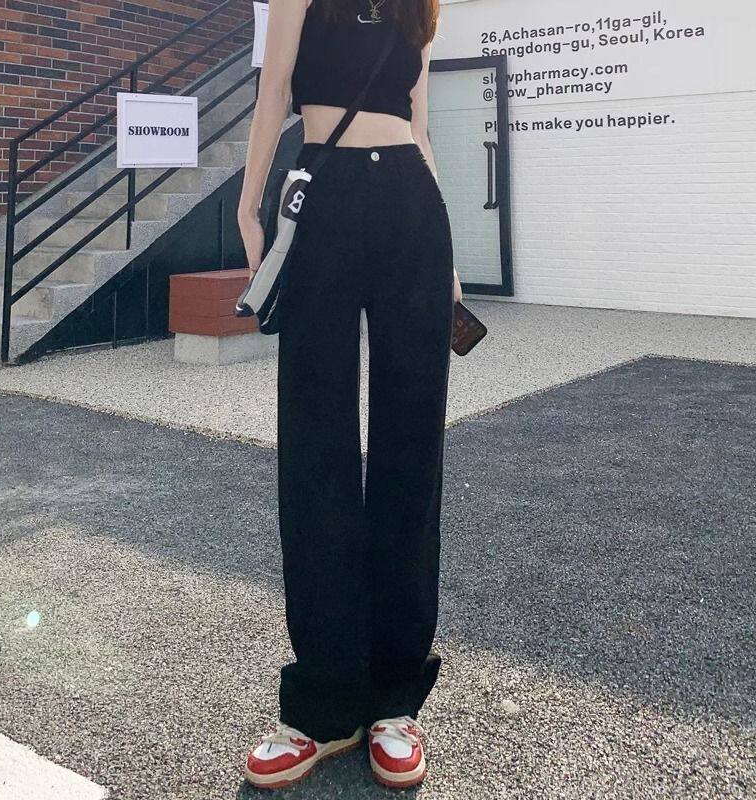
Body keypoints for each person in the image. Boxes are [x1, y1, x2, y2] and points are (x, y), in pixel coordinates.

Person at [236, 0, 461, 790]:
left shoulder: (421, 5)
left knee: (411, 447)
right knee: (316, 441)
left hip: (410, 208)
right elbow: (274, 94)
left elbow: (419, 126)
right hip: (323, 196)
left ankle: (396, 699)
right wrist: (248, 204)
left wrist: (449, 254)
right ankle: (324, 704)